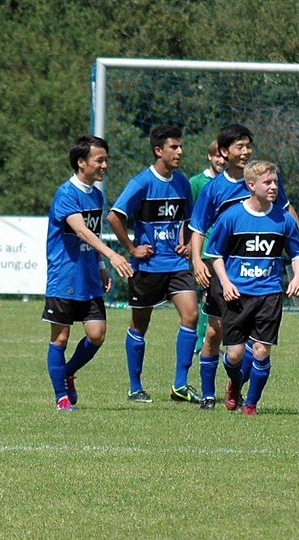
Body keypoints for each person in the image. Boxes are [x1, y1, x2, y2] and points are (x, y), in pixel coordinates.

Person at [188, 123, 299, 410]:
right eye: (239, 147)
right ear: (223, 152)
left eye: (248, 146)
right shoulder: (214, 188)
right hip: (224, 270)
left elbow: (287, 213)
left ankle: (240, 390)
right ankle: (208, 393)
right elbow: (198, 227)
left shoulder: (264, 181)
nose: (245, 151)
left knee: (253, 346)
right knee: (214, 332)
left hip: (260, 278)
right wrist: (196, 261)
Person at [107, 125, 201, 404]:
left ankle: (180, 386)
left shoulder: (182, 182)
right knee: (139, 325)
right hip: (147, 267)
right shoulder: (141, 183)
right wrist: (132, 248)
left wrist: (185, 241)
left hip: (175, 264)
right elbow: (114, 216)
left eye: (180, 146)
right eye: (174, 147)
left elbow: (189, 219)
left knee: (191, 315)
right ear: (159, 150)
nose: (180, 152)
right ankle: (135, 387)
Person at [43, 135, 134, 411]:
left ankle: (67, 372)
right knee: (60, 338)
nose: (105, 165)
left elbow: (91, 234)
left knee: (97, 335)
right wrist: (112, 254)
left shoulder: (96, 194)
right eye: (100, 160)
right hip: (65, 277)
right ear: (81, 162)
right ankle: (61, 397)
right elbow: (81, 230)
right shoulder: (66, 194)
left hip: (89, 276)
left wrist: (102, 267)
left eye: (106, 159)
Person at [188, 140, 227, 360]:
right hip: (204, 249)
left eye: (223, 157)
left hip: (224, 250)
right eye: (216, 157)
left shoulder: (232, 184)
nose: (220, 161)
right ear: (209, 157)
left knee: (211, 296)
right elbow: (191, 217)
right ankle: (202, 339)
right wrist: (188, 244)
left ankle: (205, 338)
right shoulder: (197, 182)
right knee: (208, 294)